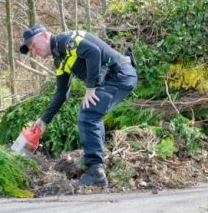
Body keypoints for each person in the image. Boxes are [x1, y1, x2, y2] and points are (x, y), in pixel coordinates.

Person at [19, 24, 137, 187]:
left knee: (88, 115)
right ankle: (101, 163)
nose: (34, 50)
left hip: (120, 74)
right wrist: (44, 120)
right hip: (114, 78)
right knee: (92, 114)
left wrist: (91, 88)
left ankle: (96, 173)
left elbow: (93, 52)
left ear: (45, 35)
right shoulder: (59, 59)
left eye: (33, 45)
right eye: (30, 49)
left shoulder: (65, 41)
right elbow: (61, 93)